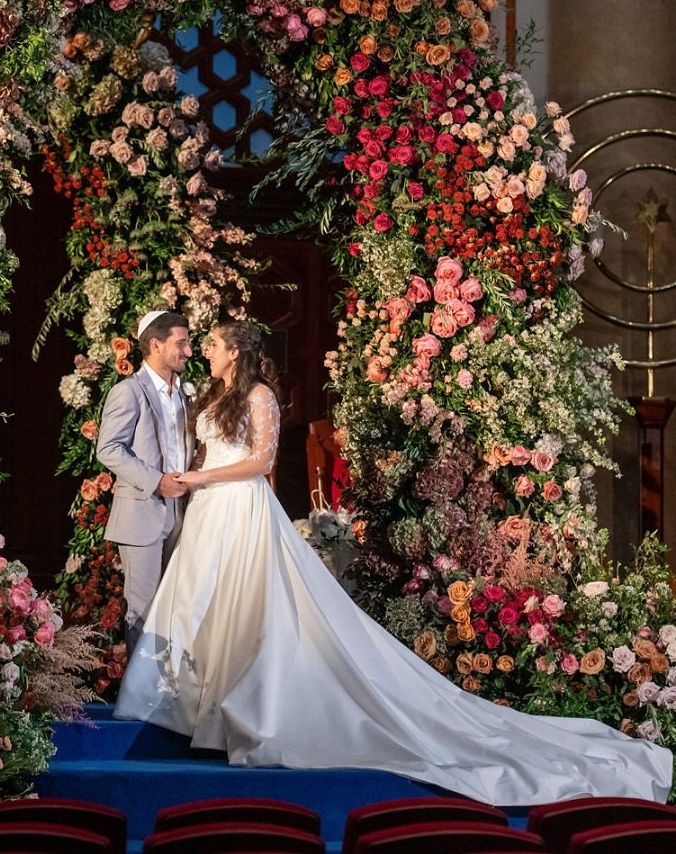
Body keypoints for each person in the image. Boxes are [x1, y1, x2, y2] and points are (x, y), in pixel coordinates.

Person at [114, 320, 672, 804]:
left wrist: (201, 477)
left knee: (251, 607)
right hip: (208, 511)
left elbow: (261, 463)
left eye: (210, 343)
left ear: (235, 351)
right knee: (201, 602)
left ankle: (248, 710)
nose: (203, 351)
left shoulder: (259, 396)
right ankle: (195, 708)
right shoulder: (208, 397)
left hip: (240, 507)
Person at [97, 311, 194, 657]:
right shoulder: (129, 392)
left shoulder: (185, 394)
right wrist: (156, 482)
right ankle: (141, 699)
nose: (189, 350)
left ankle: (168, 693)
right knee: (143, 610)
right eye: (181, 342)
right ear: (155, 344)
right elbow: (107, 449)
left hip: (183, 513)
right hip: (143, 514)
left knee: (176, 607)